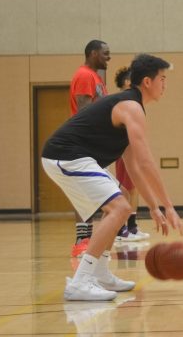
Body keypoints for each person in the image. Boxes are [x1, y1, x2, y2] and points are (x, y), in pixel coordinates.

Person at [42, 54, 183, 301]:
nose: (166, 85)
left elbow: (134, 168)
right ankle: (80, 281)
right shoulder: (131, 107)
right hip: (65, 156)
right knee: (120, 207)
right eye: (163, 78)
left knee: (123, 199)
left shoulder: (131, 107)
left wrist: (153, 207)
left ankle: (101, 273)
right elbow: (146, 162)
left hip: (74, 157)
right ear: (148, 82)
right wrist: (168, 206)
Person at [69, 40, 112, 259]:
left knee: (96, 191)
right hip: (84, 142)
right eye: (105, 53)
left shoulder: (96, 77)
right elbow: (84, 112)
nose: (109, 57)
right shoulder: (85, 75)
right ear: (93, 53)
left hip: (94, 142)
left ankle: (88, 238)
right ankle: (81, 240)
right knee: (86, 190)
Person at [112, 66, 149, 242]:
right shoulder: (122, 101)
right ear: (127, 82)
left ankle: (132, 226)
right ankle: (120, 229)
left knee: (134, 188)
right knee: (125, 188)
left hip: (133, 147)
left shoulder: (135, 100)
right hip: (123, 149)